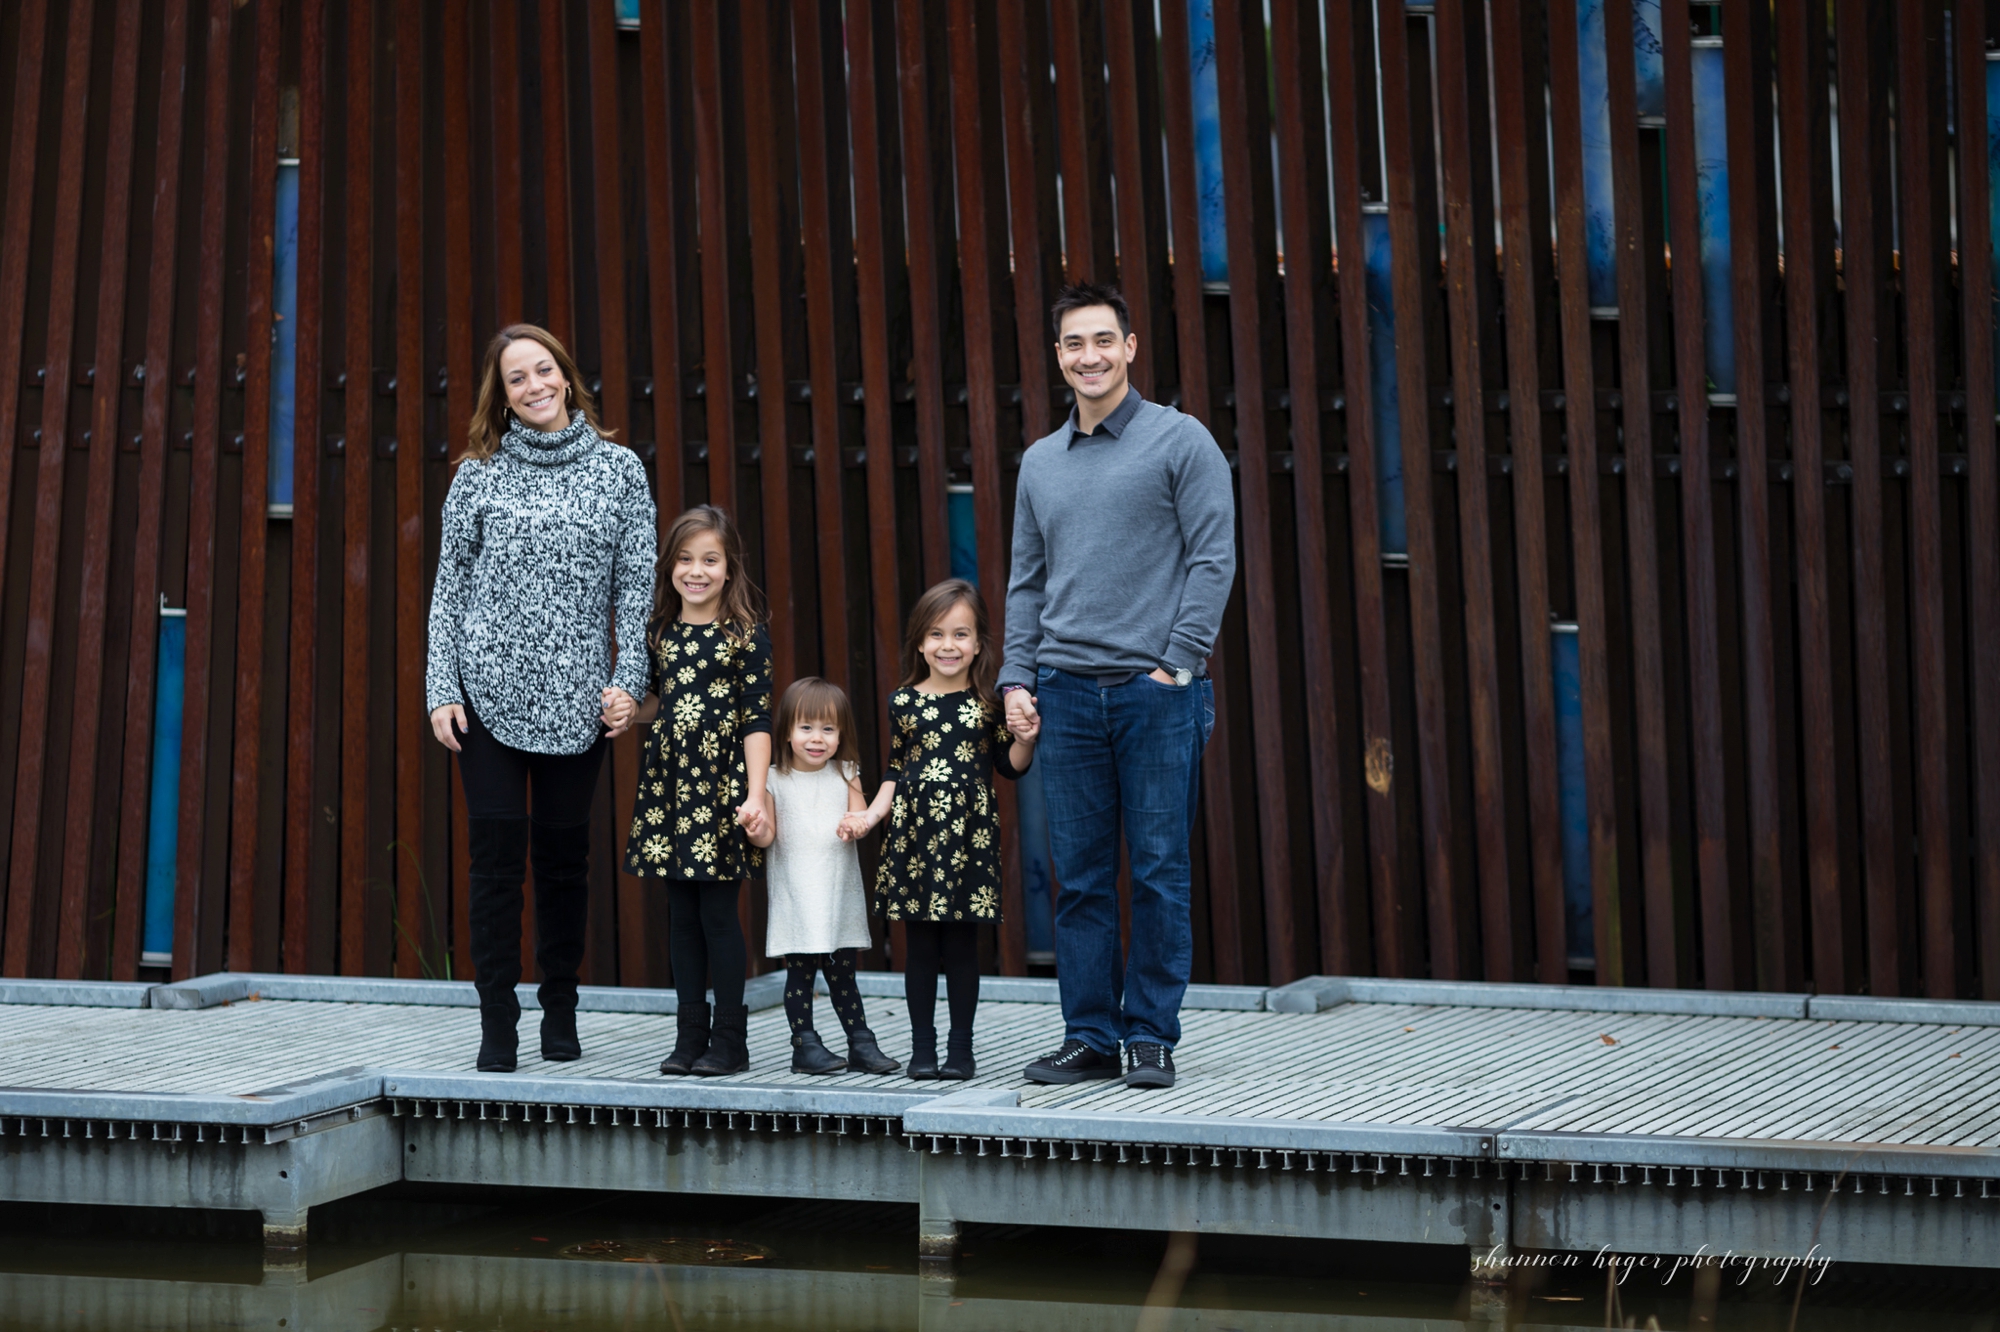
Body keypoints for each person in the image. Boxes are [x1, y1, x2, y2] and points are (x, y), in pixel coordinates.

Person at [1003, 282, 1235, 1091]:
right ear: (1058, 355)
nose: (1090, 356)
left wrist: (1177, 663)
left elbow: (1213, 559)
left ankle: (1150, 1034)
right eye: (1074, 344)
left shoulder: (1181, 442)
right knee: (1081, 877)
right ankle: (1091, 1033)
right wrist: (1014, 678)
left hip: (1156, 694)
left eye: (1104, 340)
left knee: (1160, 870)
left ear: (1131, 348)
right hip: (1064, 693)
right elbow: (1026, 583)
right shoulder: (1040, 461)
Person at [425, 323, 656, 1073]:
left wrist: (629, 682)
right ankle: (498, 1025)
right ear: (503, 395)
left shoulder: (620, 472)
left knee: (563, 861)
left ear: (566, 376)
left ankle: (560, 1011)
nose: (533, 387)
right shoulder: (477, 475)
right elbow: (449, 590)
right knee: (495, 863)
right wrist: (440, 689)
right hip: (485, 696)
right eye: (516, 378)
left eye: (543, 370)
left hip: (577, 700)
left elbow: (638, 583)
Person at [845, 580, 1039, 1081]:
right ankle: (922, 1049)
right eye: (936, 634)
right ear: (919, 642)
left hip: (969, 839)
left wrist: (1026, 740)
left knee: (961, 948)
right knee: (921, 948)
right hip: (914, 839)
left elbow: (1009, 766)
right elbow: (895, 769)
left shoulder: (990, 703)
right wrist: (870, 814)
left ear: (978, 644)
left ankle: (960, 1049)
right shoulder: (903, 702)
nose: (947, 646)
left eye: (960, 634)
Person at [623, 505, 773, 1077]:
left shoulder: (744, 637)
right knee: (679, 916)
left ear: (729, 568)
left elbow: (757, 720)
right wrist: (628, 710)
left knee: (717, 915)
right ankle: (690, 1036)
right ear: (669, 568)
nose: (697, 571)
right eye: (685, 559)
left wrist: (755, 796)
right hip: (670, 788)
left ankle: (730, 1040)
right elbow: (661, 703)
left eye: (710, 560)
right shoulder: (660, 633)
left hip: (722, 791)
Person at [741, 676, 900, 1076]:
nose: (818, 738)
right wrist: (755, 827)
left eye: (828, 729)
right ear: (787, 731)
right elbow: (767, 837)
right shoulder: (775, 778)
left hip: (837, 891)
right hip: (797, 892)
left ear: (840, 732)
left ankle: (861, 1042)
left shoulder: (846, 771)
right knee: (801, 973)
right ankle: (804, 1044)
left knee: (844, 972)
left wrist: (857, 825)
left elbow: (860, 817)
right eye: (807, 727)